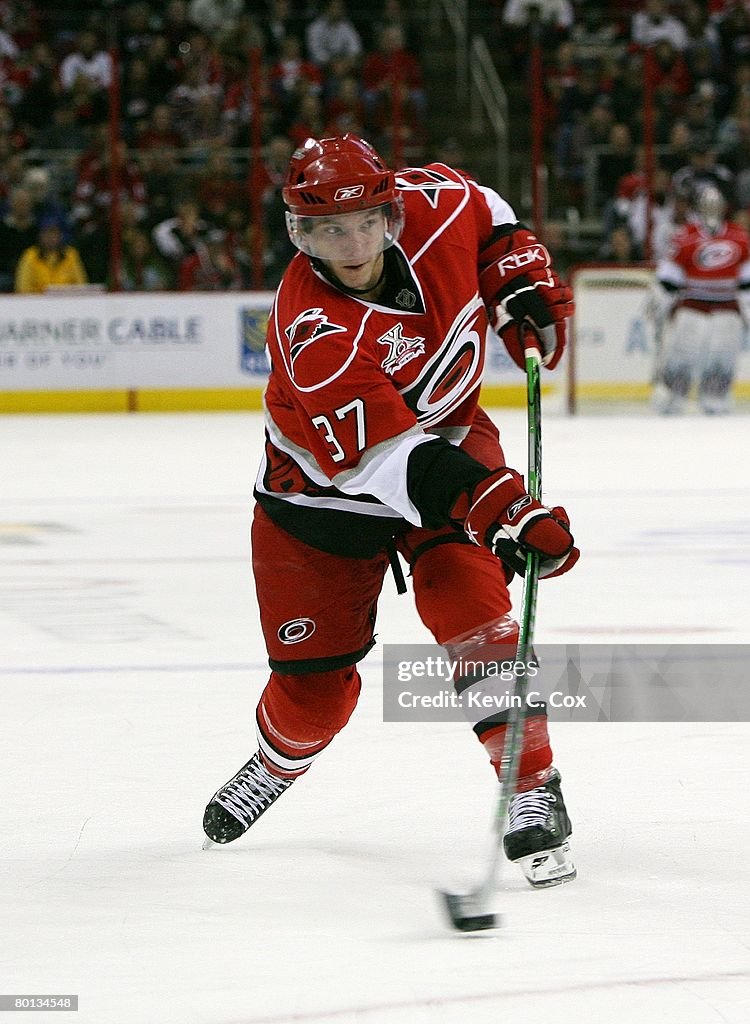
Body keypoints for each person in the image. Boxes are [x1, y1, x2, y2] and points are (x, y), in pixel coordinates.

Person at [202, 134, 580, 888]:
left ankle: (531, 787)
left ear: (390, 212)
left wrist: (515, 277)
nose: (350, 244)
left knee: (475, 615)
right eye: (326, 231)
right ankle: (279, 762)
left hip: (448, 435)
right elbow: (387, 462)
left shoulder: (436, 202)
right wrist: (498, 506)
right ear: (299, 235)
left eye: (364, 224)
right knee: (312, 700)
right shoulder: (311, 328)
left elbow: (491, 214)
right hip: (320, 492)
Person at [647, 183, 750, 414]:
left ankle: (716, 395)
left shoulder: (739, 236)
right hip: (692, 302)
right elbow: (670, 276)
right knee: (683, 349)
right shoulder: (685, 237)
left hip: (728, 304)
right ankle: (674, 394)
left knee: (723, 352)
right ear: (699, 208)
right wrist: (662, 300)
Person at [14, 219, 88, 294]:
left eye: (54, 233)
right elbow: (22, 287)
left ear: (60, 235)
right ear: (40, 236)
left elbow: (81, 284)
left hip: (66, 300)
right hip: (38, 302)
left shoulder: (71, 254)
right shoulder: (30, 255)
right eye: (46, 233)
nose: (50, 237)